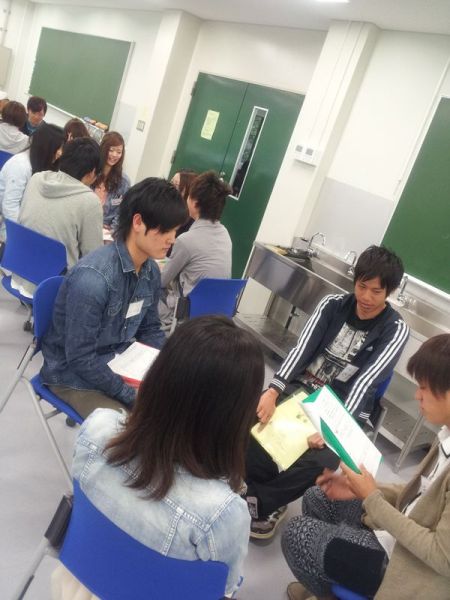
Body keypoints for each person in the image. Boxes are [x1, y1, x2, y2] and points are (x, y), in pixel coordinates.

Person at [50, 316, 264, 599]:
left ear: (159, 376)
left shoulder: (97, 429)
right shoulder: (223, 513)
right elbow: (224, 589)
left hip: (76, 585)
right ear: (236, 416)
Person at [245, 246, 410, 539]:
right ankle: (256, 488)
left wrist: (333, 427)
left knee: (321, 461)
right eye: (362, 286)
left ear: (390, 292)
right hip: (303, 388)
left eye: (376, 291)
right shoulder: (332, 304)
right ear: (355, 280)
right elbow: (302, 349)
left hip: (344, 408)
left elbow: (366, 381)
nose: (366, 297)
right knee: (254, 419)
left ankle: (262, 503)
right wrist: (273, 389)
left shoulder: (395, 329)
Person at [282, 333, 450, 600]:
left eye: (425, 388)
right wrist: (361, 488)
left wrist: (372, 497)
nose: (417, 395)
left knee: (297, 535)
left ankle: (330, 590)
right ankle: (326, 579)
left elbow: (442, 557)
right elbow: (421, 495)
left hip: (408, 565)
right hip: (399, 530)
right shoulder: (445, 435)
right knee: (318, 497)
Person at [40, 177, 188, 418]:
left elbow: (150, 328)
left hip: (118, 360)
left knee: (179, 401)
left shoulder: (150, 270)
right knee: (135, 425)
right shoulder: (94, 279)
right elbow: (80, 358)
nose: (172, 239)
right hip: (71, 375)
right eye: (165, 230)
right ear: (138, 222)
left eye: (175, 230)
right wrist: (130, 394)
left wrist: (171, 365)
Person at [12, 138, 103, 297]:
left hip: (18, 273)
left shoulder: (37, 178)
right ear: (92, 172)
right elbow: (93, 257)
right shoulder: (89, 201)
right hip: (53, 289)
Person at [158, 170, 232, 325]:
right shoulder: (225, 234)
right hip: (216, 317)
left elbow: (162, 281)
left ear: (194, 203)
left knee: (148, 283)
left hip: (187, 316)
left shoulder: (186, 240)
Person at [0, 123, 64, 241]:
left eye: (62, 148)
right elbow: (10, 207)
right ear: (45, 146)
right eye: (57, 148)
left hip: (29, 224)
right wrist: (27, 234)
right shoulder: (21, 165)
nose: (60, 153)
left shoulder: (45, 164)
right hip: (12, 230)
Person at [93, 131, 130, 229]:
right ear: (103, 149)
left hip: (106, 230)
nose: (114, 155)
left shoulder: (124, 182)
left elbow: (122, 212)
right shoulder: (91, 172)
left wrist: (111, 230)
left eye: (119, 152)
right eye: (111, 150)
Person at [170, 169, 197, 238]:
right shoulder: (163, 206)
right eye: (171, 182)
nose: (169, 187)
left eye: (176, 185)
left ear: (188, 191)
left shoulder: (190, 221)